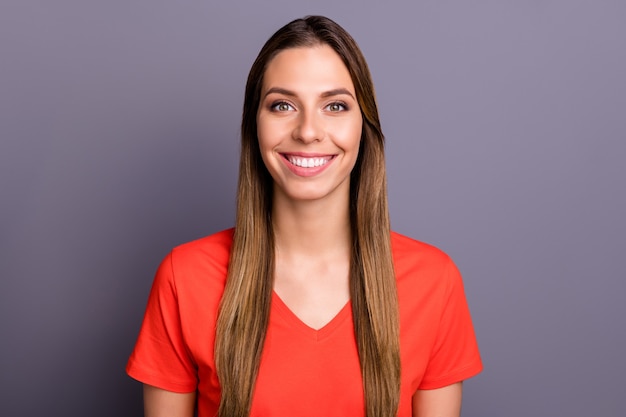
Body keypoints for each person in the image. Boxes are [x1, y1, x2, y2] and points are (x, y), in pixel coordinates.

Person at [126, 15, 482, 417]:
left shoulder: (434, 281)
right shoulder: (184, 277)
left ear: (363, 127)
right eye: (282, 105)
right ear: (254, 126)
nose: (308, 131)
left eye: (335, 106)